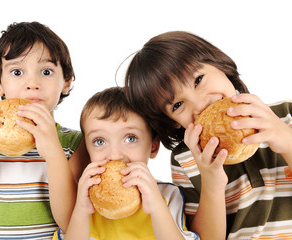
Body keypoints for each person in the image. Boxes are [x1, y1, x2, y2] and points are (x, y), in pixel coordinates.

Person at [123, 30, 292, 239]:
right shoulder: (185, 160)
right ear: (173, 123)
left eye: (198, 80)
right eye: (177, 105)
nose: (200, 104)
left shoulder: (286, 115)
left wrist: (285, 139)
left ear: (220, 66)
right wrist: (211, 182)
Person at [0, 21, 89, 239]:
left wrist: (53, 153)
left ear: (66, 82)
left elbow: (71, 223)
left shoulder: (74, 143)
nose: (32, 83)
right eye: (18, 71)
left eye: (47, 71)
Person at [53, 87, 199, 240]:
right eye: (99, 141)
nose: (115, 155)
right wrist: (81, 211)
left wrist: (157, 208)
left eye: (130, 138)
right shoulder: (81, 201)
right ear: (87, 151)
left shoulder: (168, 197)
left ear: (154, 146)